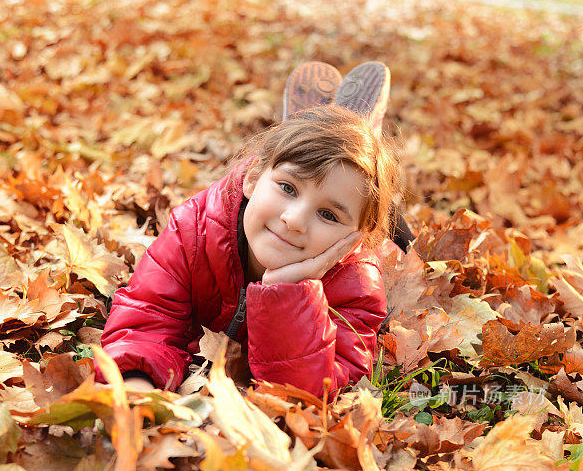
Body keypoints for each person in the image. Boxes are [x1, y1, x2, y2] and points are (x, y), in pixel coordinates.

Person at [96, 63, 407, 399]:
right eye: (287, 188)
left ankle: (354, 131)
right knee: (328, 171)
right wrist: (135, 383)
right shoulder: (194, 229)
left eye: (328, 214)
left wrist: (288, 295)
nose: (294, 220)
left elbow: (307, 396)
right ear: (253, 179)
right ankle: (325, 131)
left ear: (353, 240)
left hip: (362, 239)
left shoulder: (355, 288)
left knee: (371, 200)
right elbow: (149, 314)